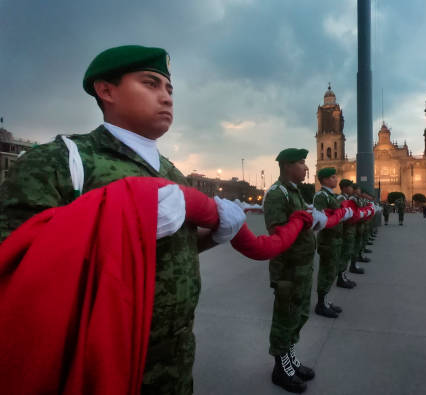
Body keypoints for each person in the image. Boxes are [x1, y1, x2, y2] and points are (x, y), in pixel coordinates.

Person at [0, 45, 248, 394]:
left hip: (175, 358)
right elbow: (17, 262)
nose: (166, 97)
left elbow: (176, 250)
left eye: (169, 89)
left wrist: (216, 234)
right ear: (107, 90)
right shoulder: (61, 162)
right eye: (150, 84)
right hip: (98, 362)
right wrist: (125, 220)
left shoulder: (172, 174)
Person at [263, 148, 320, 393]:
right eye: (301, 162)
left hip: (302, 268)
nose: (306, 167)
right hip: (288, 270)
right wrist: (301, 223)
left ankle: (290, 358)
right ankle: (280, 368)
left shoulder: (294, 191)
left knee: (299, 316)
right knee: (285, 319)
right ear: (287, 166)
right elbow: (278, 233)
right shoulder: (278, 194)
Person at [312, 167, 346, 318]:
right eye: (332, 177)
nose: (336, 179)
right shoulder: (321, 196)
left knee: (331, 271)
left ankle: (325, 300)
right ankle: (321, 304)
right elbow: (319, 217)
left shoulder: (330, 195)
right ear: (324, 180)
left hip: (335, 238)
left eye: (335, 177)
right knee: (327, 272)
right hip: (328, 240)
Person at [336, 179, 358, 288]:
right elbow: (340, 216)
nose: (352, 189)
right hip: (343, 232)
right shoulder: (341, 199)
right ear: (344, 188)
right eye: (350, 187)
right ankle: (341, 278)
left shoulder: (346, 198)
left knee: (346, 255)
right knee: (344, 255)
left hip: (347, 231)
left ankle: (343, 276)